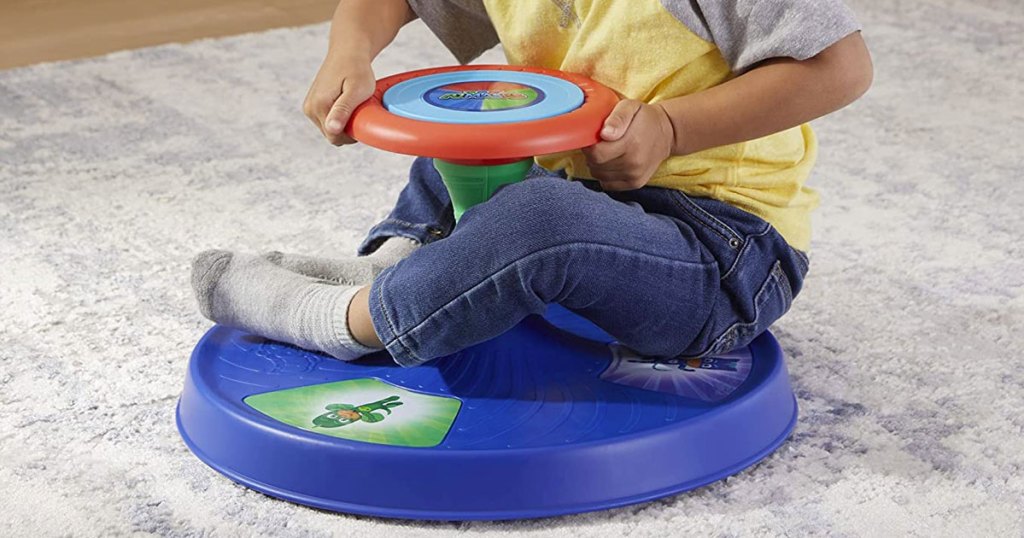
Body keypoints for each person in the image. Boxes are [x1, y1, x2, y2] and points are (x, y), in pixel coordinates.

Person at [191, 0, 873, 367]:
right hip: (582, 191)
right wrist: (350, 52)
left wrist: (670, 128)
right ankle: (398, 262)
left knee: (539, 220)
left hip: (724, 250)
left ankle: (342, 323)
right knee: (477, 126)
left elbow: (841, 66)